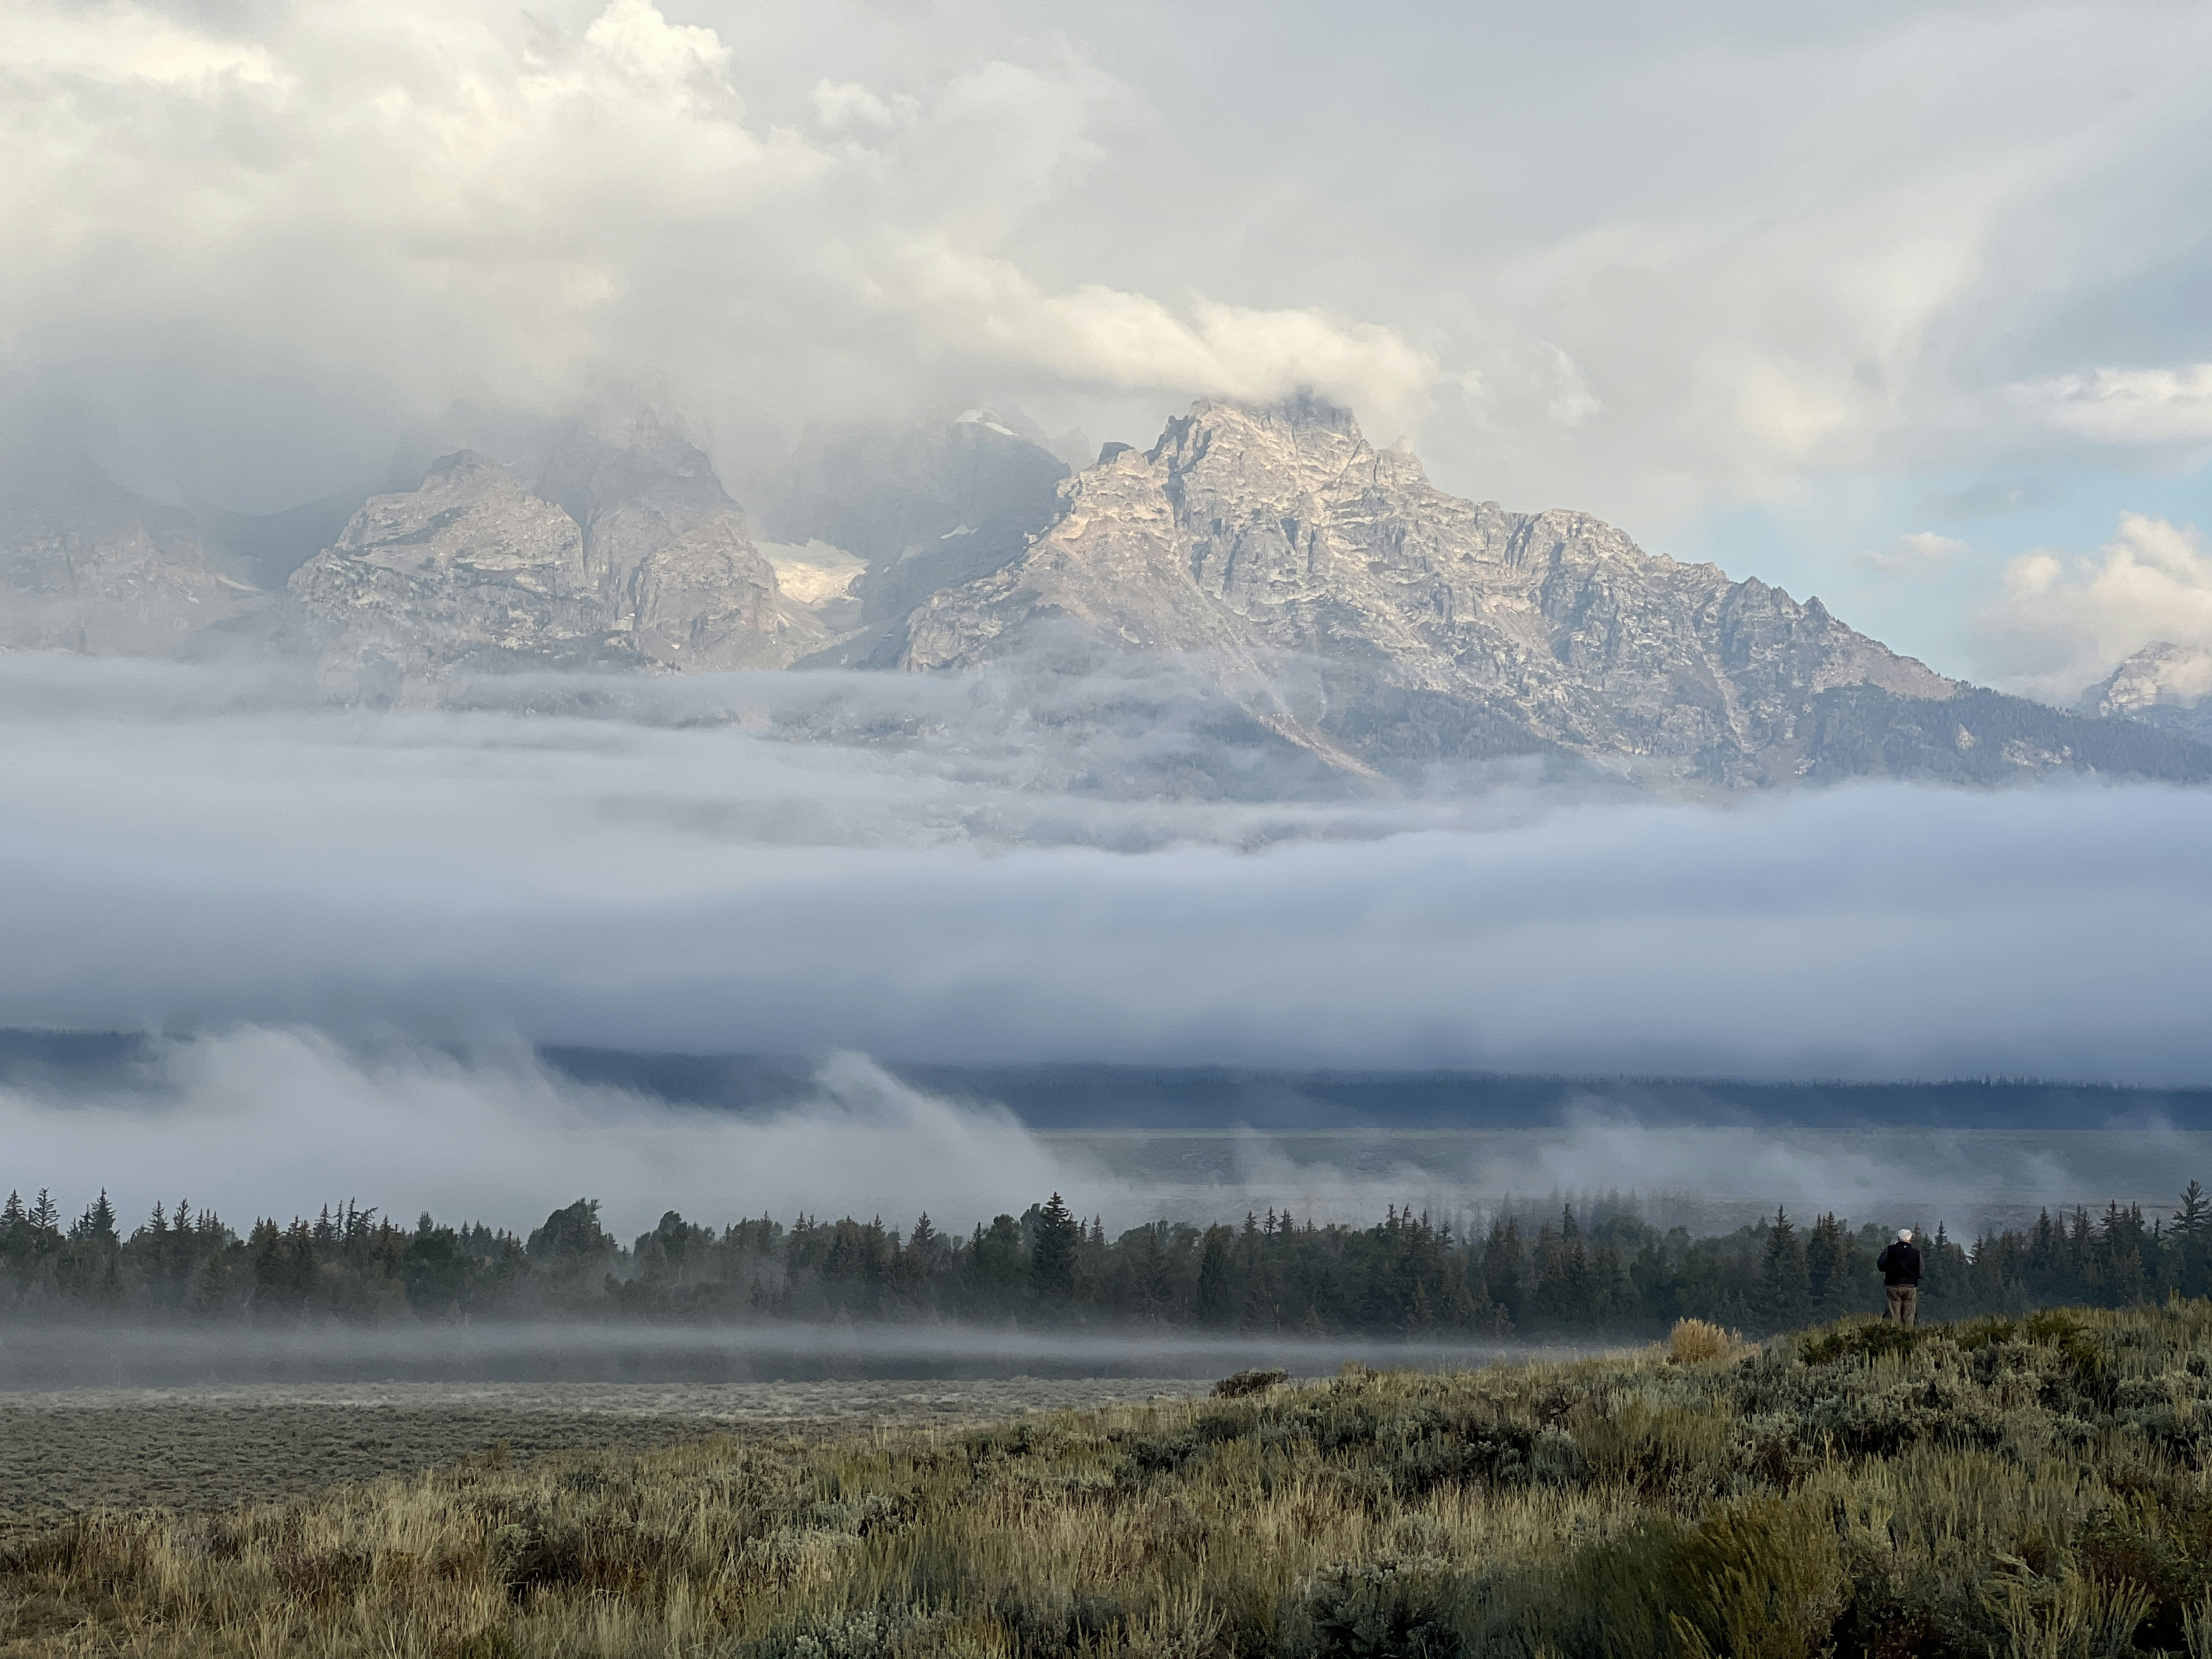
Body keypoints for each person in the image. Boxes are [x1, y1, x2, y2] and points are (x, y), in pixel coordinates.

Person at [1876, 1228, 1922, 1327]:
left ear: (1898, 1238)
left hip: (1893, 1286)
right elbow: (1921, 1272)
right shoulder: (1916, 1253)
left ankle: (1894, 1336)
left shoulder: (1890, 1250)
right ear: (1910, 1239)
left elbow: (1881, 1266)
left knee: (1893, 1316)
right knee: (1909, 1317)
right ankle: (1908, 1337)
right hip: (1910, 1287)